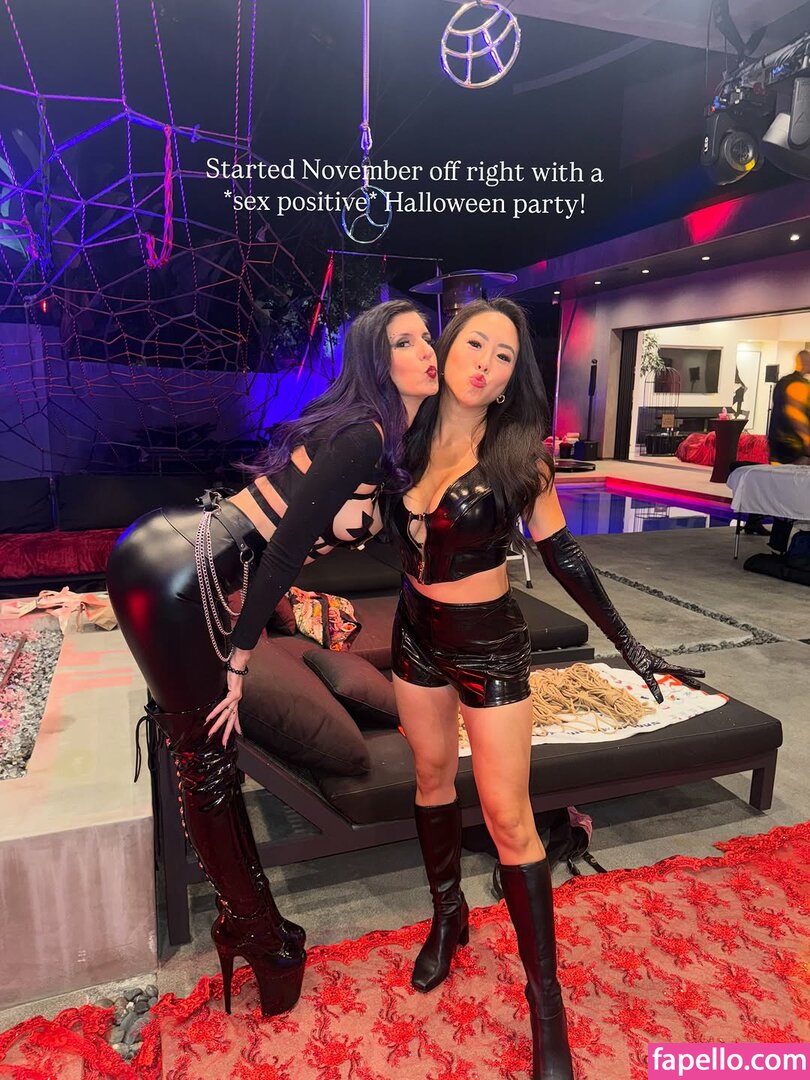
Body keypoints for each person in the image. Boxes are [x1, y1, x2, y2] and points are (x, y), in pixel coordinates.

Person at [388, 298, 703, 1080]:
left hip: (489, 644)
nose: (484, 363)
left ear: (511, 378)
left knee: (509, 818)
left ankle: (545, 1003)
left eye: (503, 356)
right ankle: (449, 918)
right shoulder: (407, 432)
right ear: (447, 348)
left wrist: (629, 642)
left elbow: (565, 556)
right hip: (413, 632)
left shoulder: (519, 455)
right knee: (430, 779)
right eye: (475, 344)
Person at [106, 300, 438, 1017]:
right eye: (405, 341)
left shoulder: (387, 439)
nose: (426, 350)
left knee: (209, 756)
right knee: (206, 759)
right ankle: (258, 934)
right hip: (173, 574)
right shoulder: (362, 432)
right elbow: (283, 552)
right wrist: (238, 660)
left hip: (186, 556)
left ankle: (256, 928)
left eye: (426, 337)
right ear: (376, 361)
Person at [766, 348, 810, 551]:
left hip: (778, 446)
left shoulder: (783, 382)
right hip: (795, 449)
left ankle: (778, 542)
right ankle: (796, 544)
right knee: (795, 494)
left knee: (783, 493)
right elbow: (796, 417)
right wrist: (807, 443)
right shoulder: (799, 385)